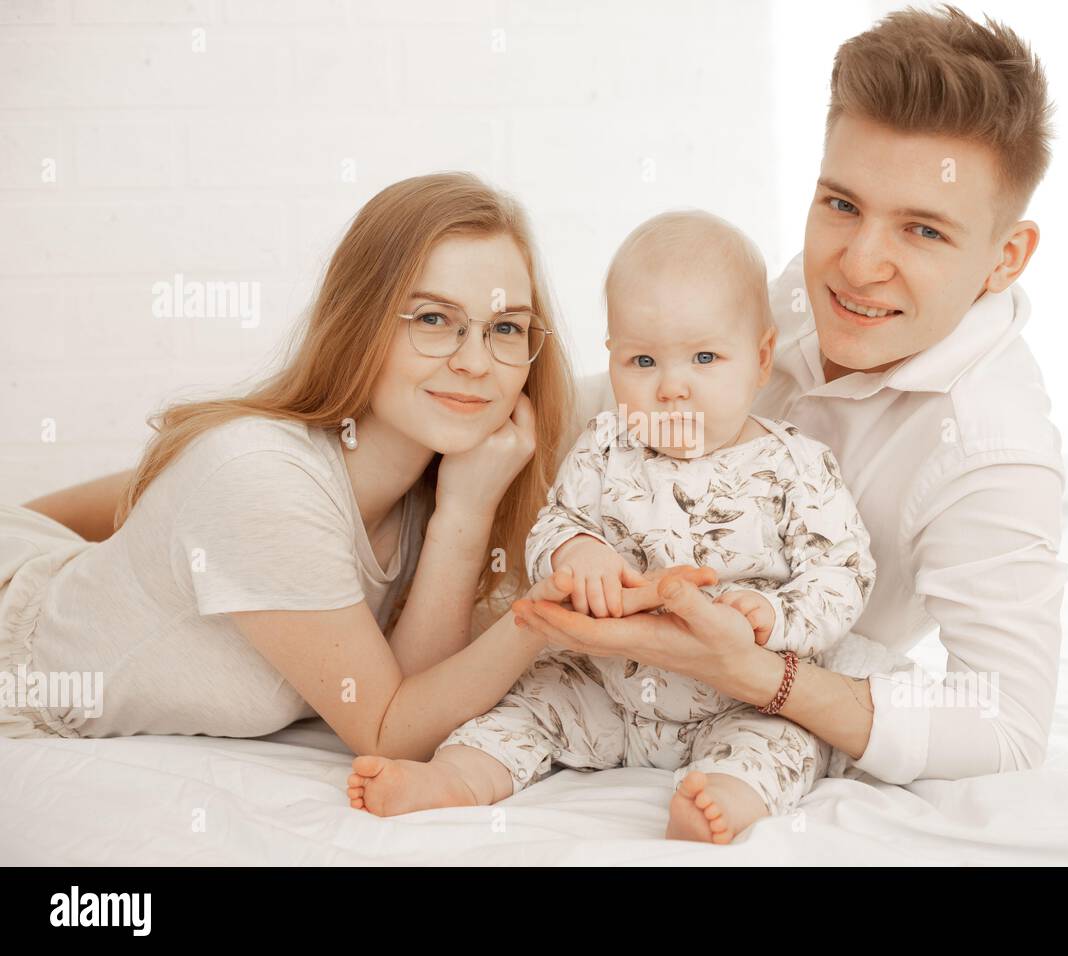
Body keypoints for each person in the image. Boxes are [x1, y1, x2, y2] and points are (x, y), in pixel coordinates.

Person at [511, 4, 1068, 786]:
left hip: (751, 707)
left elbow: (1007, 726)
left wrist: (756, 677)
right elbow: (643, 394)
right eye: (841, 204)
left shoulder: (991, 449)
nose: (858, 264)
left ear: (1006, 258)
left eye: (924, 231)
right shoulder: (804, 299)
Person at [2, 171, 709, 752]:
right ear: (362, 320)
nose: (473, 361)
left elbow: (412, 694)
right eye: (433, 319)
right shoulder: (259, 476)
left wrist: (464, 513)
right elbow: (387, 732)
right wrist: (542, 619)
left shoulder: (438, 478)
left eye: (503, 328)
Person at [348, 210, 874, 843]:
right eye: (643, 360)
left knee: (783, 741)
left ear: (761, 359)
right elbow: (553, 526)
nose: (671, 388)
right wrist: (578, 550)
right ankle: (455, 781)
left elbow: (842, 573)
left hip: (737, 697)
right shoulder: (604, 445)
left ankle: (726, 800)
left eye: (705, 357)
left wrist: (771, 614)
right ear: (612, 358)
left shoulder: (797, 465)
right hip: (603, 684)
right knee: (528, 704)